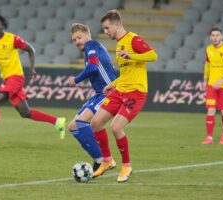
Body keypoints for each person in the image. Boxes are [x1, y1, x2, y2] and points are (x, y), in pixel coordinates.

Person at [0, 15, 66, 150]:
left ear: (2, 26)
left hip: (16, 77)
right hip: (7, 78)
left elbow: (30, 50)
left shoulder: (11, 39)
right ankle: (57, 122)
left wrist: (32, 69)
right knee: (25, 112)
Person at [91, 10, 158, 182]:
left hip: (136, 92)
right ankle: (106, 161)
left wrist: (133, 55)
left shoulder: (133, 40)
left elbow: (153, 55)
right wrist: (111, 85)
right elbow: (126, 74)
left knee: (116, 127)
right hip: (120, 90)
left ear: (116, 24)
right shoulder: (120, 44)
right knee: (96, 123)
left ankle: (126, 165)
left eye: (107, 28)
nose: (105, 32)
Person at [68, 23, 117, 171]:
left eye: (79, 37)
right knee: (73, 126)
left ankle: (105, 159)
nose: (77, 42)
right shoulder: (89, 50)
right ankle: (99, 159)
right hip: (98, 95)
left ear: (87, 35)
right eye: (74, 40)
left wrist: (76, 80)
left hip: (109, 93)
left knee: (82, 122)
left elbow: (93, 67)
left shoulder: (92, 44)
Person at [201, 27, 223, 145]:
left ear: (221, 37)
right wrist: (205, 79)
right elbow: (207, 65)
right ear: (210, 37)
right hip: (212, 85)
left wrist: (222, 80)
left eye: (217, 35)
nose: (215, 37)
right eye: (213, 35)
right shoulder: (208, 49)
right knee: (210, 110)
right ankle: (209, 138)